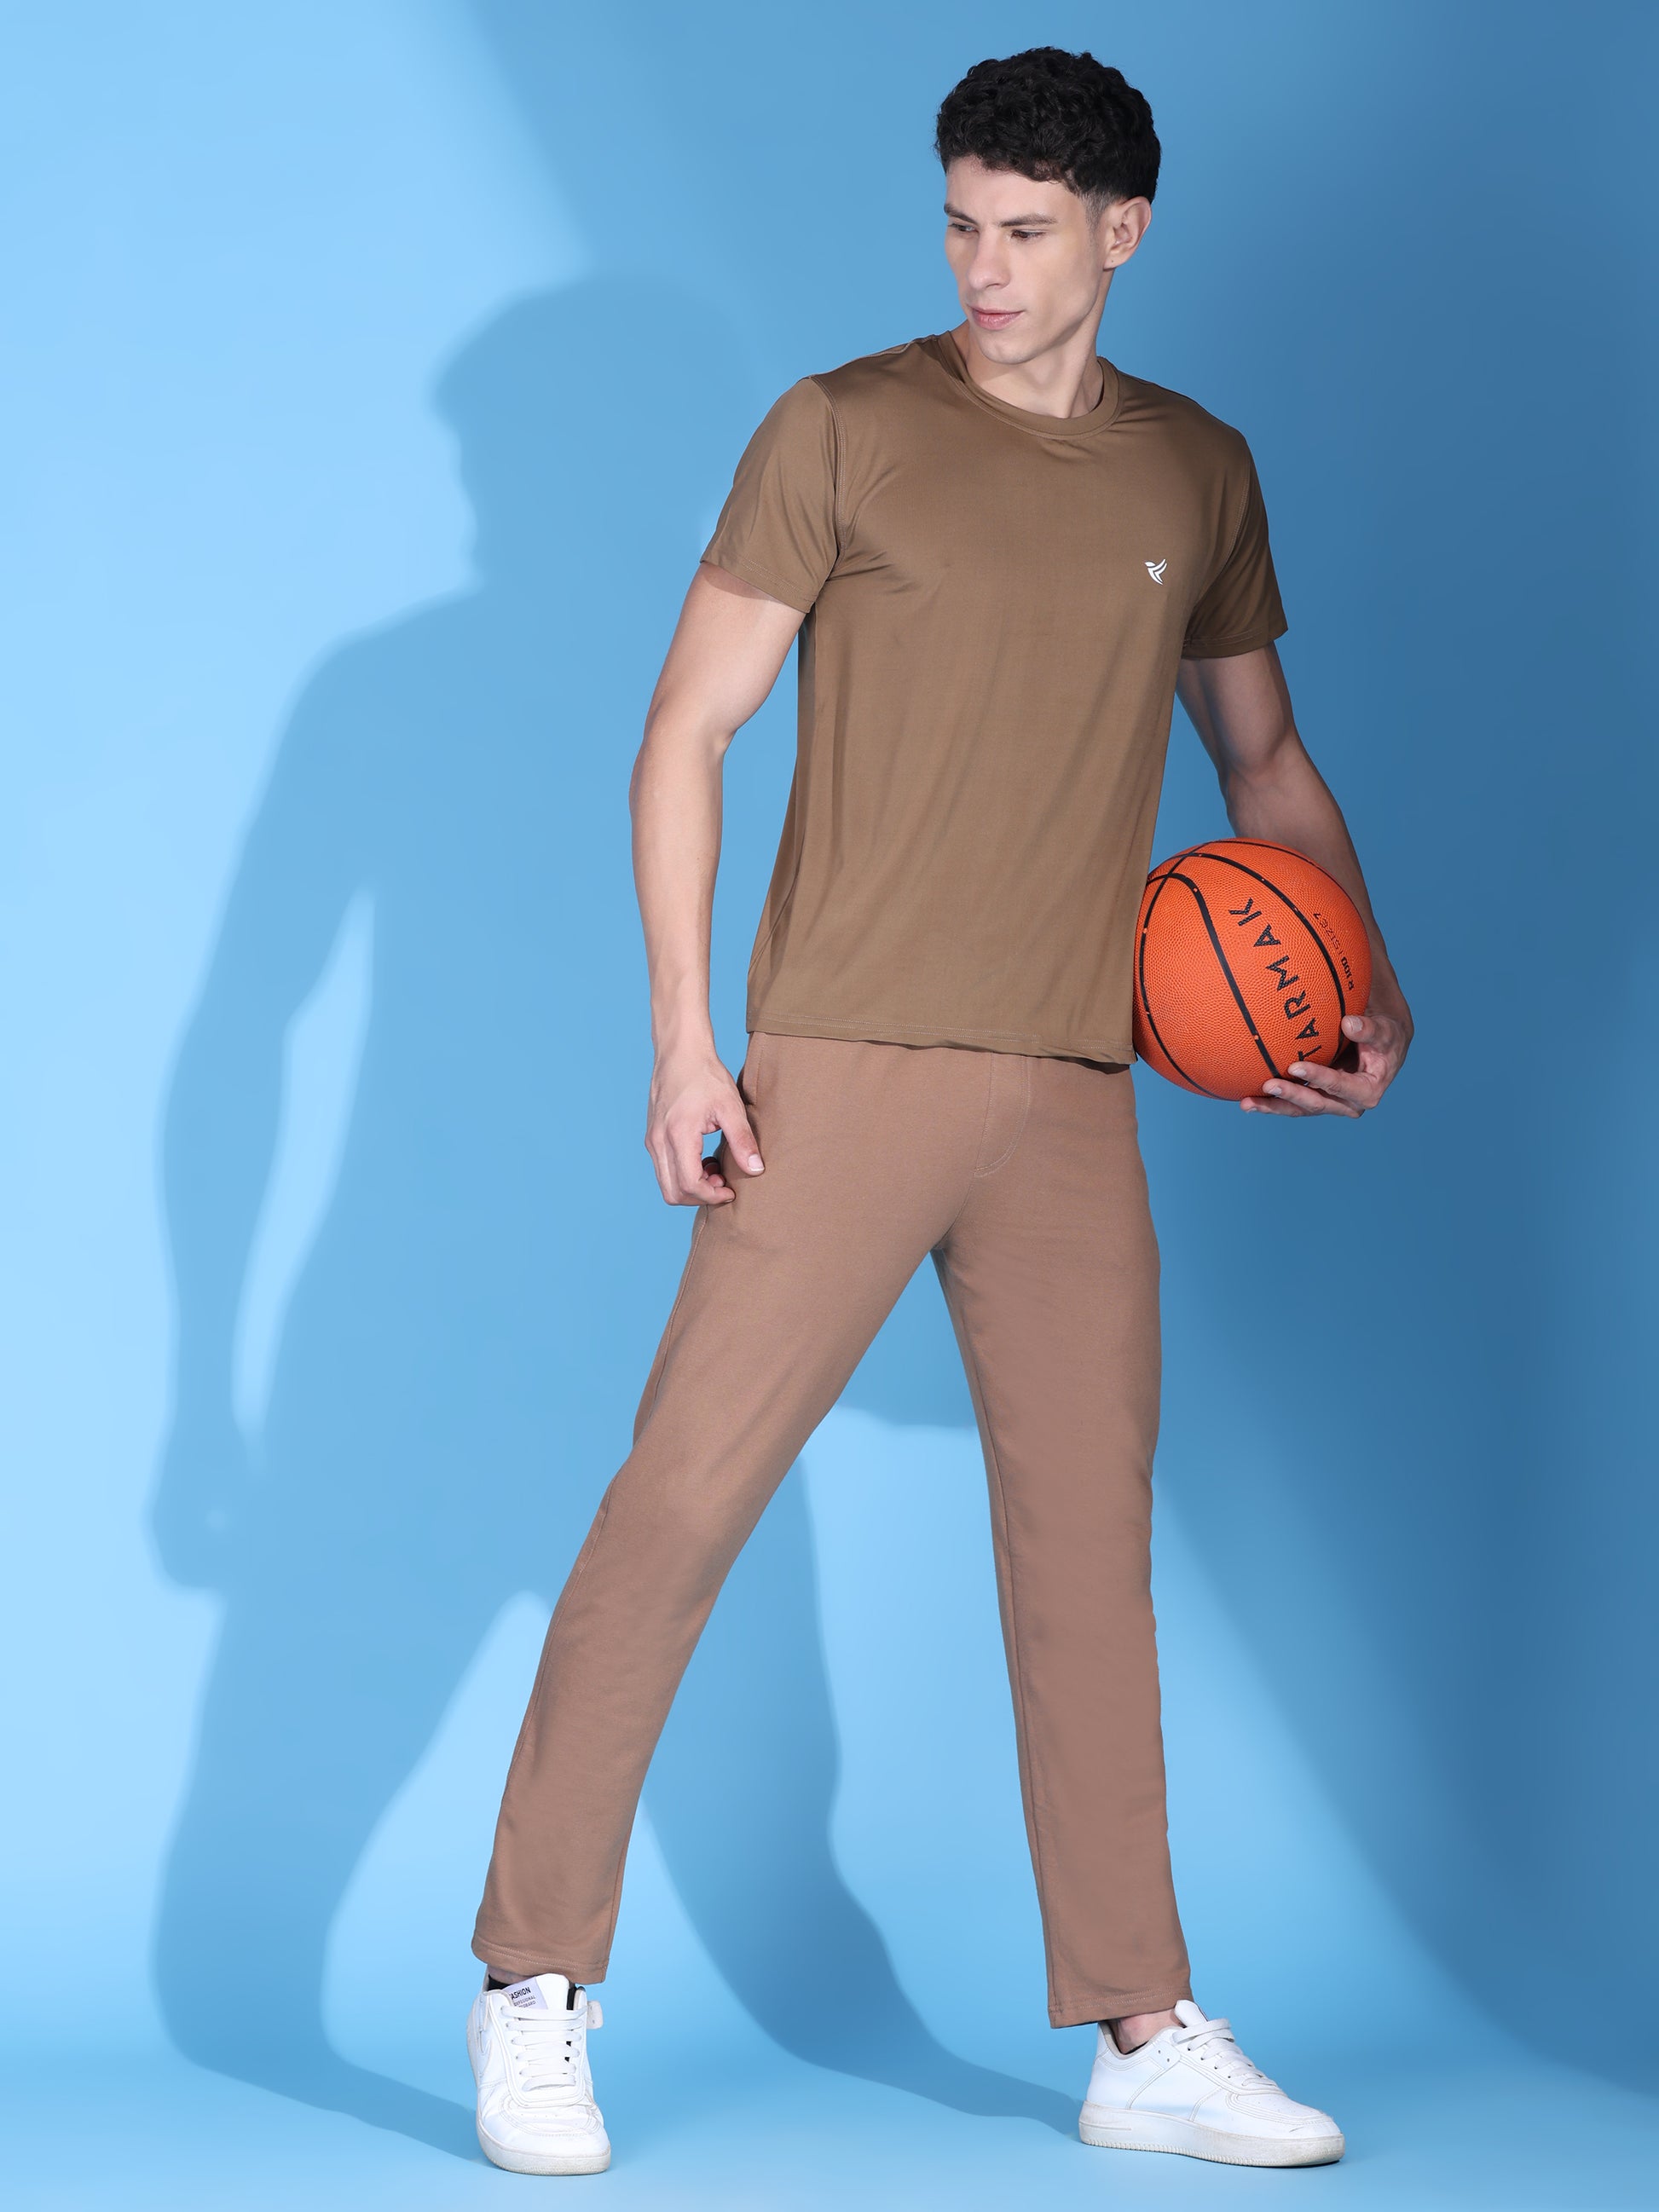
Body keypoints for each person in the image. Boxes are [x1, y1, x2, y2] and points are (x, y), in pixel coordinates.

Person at [465, 46, 1412, 2177]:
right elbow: (685, 729)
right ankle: (532, 1980)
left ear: (1121, 233)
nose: (983, 267)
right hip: (840, 1062)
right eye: (961, 224)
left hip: (1073, 1083)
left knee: (1085, 1549)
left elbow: (1265, 767)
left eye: (1025, 231)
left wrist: (1375, 988)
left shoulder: (1196, 471)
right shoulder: (842, 429)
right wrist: (686, 1042)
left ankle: (1139, 2026)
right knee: (679, 1503)